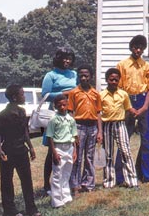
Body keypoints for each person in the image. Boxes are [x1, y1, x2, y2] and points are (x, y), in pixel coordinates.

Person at [117, 34, 149, 183]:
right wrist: (128, 108)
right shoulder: (122, 65)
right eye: (135, 47)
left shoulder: (147, 66)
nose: (138, 50)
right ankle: (120, 176)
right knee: (123, 139)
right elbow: (119, 88)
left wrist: (145, 107)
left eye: (141, 48)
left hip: (142, 100)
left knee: (147, 139)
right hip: (127, 101)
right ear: (131, 47)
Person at [0, 84, 40, 216]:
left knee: (27, 180)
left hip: (22, 150)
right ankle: (10, 210)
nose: (24, 96)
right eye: (22, 94)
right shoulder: (3, 114)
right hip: (8, 151)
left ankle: (31, 209)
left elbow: (25, 131)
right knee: (7, 181)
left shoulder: (22, 112)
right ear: (14, 97)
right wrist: (0, 150)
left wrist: (31, 147)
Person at [41, 47, 78, 194]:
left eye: (69, 58)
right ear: (58, 58)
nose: (67, 61)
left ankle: (67, 183)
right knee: (53, 150)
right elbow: (45, 95)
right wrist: (66, 93)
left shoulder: (74, 74)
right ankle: (46, 184)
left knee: (70, 148)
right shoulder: (50, 75)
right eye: (64, 57)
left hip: (72, 113)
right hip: (56, 113)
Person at [100, 68, 138, 189]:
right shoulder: (101, 95)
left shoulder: (123, 94)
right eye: (111, 79)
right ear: (107, 80)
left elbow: (128, 109)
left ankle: (132, 181)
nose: (114, 82)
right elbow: (98, 113)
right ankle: (109, 181)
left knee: (125, 151)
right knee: (108, 154)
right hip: (107, 125)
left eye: (116, 79)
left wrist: (135, 114)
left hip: (120, 124)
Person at [67, 65, 102, 194]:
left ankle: (88, 183)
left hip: (92, 126)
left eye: (86, 76)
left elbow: (98, 113)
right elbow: (70, 112)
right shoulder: (74, 93)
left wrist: (100, 131)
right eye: (81, 75)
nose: (83, 78)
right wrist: (72, 131)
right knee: (78, 156)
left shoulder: (96, 93)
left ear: (91, 77)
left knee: (89, 156)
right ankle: (75, 184)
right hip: (79, 126)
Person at [45, 94, 78, 209]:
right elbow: (50, 137)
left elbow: (74, 136)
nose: (62, 107)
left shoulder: (71, 119)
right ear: (55, 106)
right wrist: (54, 152)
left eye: (64, 105)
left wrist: (74, 151)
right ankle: (57, 200)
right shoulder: (53, 120)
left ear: (68, 104)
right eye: (59, 106)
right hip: (58, 148)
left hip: (69, 148)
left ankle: (66, 196)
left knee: (67, 172)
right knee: (57, 173)